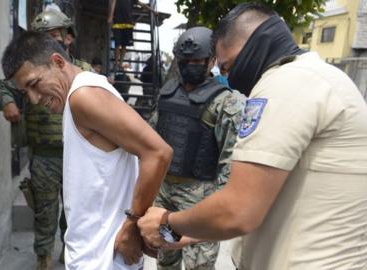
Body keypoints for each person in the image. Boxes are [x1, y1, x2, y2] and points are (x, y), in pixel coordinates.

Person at [137, 3, 367, 270]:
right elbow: (268, 196)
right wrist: (193, 231)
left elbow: (237, 209)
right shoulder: (313, 77)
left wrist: (167, 221)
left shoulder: (289, 83)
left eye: (228, 66)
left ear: (254, 43)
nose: (228, 77)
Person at [1, 31, 173, 270]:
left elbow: (158, 153)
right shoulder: (81, 92)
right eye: (25, 92)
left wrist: (132, 228)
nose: (33, 99)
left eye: (34, 84)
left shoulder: (83, 96)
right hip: (97, 253)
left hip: (104, 258)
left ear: (58, 62)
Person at [0, 9, 93, 270]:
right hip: (44, 157)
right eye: (42, 38)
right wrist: (7, 104)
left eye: (54, 36)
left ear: (68, 38)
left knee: (75, 210)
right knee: (44, 211)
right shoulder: (31, 72)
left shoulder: (83, 71)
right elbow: (2, 87)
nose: (47, 43)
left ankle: (70, 254)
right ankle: (43, 257)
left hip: (78, 156)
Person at [152, 26, 245, 270]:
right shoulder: (168, 92)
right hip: (164, 191)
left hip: (201, 195)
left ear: (211, 60)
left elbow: (230, 158)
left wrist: (219, 205)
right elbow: (153, 138)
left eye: (197, 60)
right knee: (165, 258)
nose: (190, 65)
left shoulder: (226, 101)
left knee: (199, 264)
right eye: (185, 60)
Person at [108, 0, 157, 69]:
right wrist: (110, 16)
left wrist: (152, 11)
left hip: (128, 24)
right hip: (117, 22)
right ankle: (116, 62)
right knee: (117, 44)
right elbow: (113, 3)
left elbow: (142, 4)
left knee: (124, 45)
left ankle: (120, 63)